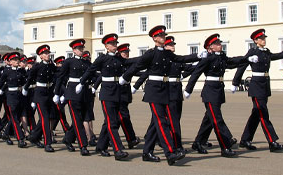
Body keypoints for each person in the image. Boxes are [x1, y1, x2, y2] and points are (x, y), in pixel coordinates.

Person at [122, 25, 188, 165]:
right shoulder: (150, 53)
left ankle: (147, 152)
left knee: (155, 123)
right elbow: (137, 66)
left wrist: (198, 56)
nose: (164, 37)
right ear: (155, 38)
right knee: (161, 121)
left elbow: (180, 59)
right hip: (154, 91)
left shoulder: (165, 53)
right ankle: (170, 152)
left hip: (164, 90)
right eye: (162, 36)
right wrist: (125, 77)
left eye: (164, 35)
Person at [231, 28, 283, 152]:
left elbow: (275, 56)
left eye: (264, 38)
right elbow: (242, 66)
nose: (264, 40)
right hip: (256, 86)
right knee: (263, 113)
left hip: (264, 85)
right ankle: (272, 141)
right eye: (261, 38)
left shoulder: (266, 52)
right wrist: (235, 82)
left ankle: (245, 140)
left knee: (256, 114)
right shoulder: (252, 52)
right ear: (255, 41)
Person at [184, 33, 248, 157]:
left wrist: (246, 59)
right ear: (210, 47)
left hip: (218, 91)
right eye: (217, 44)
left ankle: (198, 142)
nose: (220, 45)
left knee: (209, 119)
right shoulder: (207, 58)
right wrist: (188, 89)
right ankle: (225, 145)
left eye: (219, 43)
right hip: (210, 91)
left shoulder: (222, 57)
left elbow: (232, 61)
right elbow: (196, 73)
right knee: (217, 119)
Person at [80, 34, 129, 160]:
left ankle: (101, 146)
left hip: (117, 93)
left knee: (112, 121)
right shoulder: (102, 59)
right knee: (112, 122)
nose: (115, 46)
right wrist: (81, 83)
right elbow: (91, 70)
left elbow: (130, 62)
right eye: (112, 44)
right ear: (106, 46)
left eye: (115, 43)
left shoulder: (119, 59)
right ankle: (118, 150)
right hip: (107, 94)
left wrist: (145, 58)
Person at [159, 36, 197, 156]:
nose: (173, 46)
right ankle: (177, 145)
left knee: (174, 119)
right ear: (165, 46)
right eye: (170, 44)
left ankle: (159, 140)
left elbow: (188, 68)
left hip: (177, 91)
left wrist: (202, 63)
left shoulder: (176, 59)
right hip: (168, 91)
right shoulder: (163, 59)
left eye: (173, 44)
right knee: (172, 120)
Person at [55, 39, 91, 156]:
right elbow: (61, 78)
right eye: (79, 49)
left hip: (84, 93)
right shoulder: (68, 62)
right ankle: (83, 145)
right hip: (72, 93)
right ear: (73, 50)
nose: (81, 51)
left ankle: (68, 139)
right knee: (77, 119)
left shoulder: (86, 63)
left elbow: (93, 73)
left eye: (82, 48)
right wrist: (57, 93)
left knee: (80, 119)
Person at [25, 46, 56, 151]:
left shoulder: (52, 66)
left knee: (49, 117)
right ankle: (48, 143)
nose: (48, 55)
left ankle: (34, 137)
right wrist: (25, 88)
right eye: (45, 53)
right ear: (41, 56)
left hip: (49, 93)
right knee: (45, 118)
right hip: (40, 93)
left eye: (48, 53)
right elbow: (30, 78)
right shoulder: (37, 67)